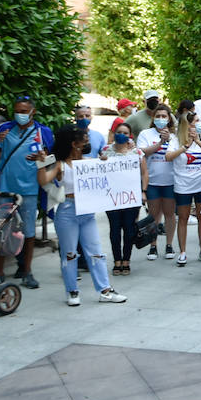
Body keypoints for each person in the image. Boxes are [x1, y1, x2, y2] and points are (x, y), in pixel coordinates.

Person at [37, 125, 127, 306]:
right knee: (69, 253)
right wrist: (40, 164)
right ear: (74, 144)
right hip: (67, 211)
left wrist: (104, 162)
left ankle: (105, 290)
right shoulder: (61, 165)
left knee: (96, 252)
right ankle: (72, 291)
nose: (87, 142)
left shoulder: (89, 162)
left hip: (87, 211)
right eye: (83, 140)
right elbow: (43, 180)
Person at [0, 95, 53, 288]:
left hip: (30, 189)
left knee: (29, 232)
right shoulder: (5, 129)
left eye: (24, 111)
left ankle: (27, 272)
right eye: (17, 111)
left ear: (33, 112)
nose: (20, 115)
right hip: (5, 189)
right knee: (2, 230)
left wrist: (41, 158)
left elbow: (51, 161)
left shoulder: (42, 132)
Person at [165, 102, 201, 267]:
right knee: (183, 218)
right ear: (188, 124)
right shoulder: (175, 139)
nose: (199, 124)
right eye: (196, 121)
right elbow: (168, 157)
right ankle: (183, 252)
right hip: (183, 185)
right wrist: (184, 147)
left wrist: (197, 141)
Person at [99, 125, 147, 276]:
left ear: (130, 135)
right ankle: (116, 260)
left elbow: (144, 173)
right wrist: (101, 161)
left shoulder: (136, 152)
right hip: (111, 197)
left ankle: (126, 260)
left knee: (129, 229)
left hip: (130, 197)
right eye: (119, 132)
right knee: (114, 229)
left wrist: (143, 191)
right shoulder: (106, 150)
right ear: (114, 134)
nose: (121, 135)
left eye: (125, 133)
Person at [136, 103, 178, 261]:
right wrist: (160, 143)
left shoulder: (175, 136)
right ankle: (152, 245)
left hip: (170, 181)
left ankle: (169, 244)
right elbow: (142, 152)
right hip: (152, 181)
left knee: (169, 214)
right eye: (158, 116)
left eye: (164, 116)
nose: (161, 119)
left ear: (169, 118)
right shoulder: (146, 134)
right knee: (153, 215)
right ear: (153, 118)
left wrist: (168, 139)